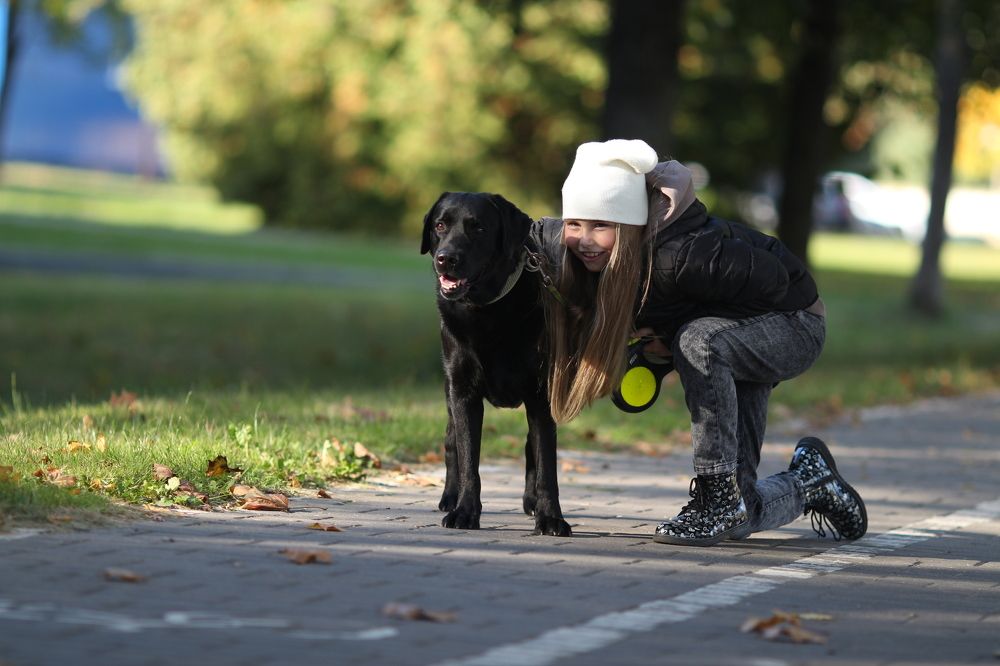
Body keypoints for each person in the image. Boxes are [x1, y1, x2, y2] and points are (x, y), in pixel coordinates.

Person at [533, 139, 867, 546]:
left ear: (629, 223)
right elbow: (515, 231)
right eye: (575, 224)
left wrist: (675, 338)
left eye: (600, 225)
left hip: (794, 325)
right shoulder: (574, 249)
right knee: (742, 517)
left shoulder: (684, 255)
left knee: (698, 342)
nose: (584, 239)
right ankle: (811, 481)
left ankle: (715, 495)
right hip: (731, 339)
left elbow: (777, 283)